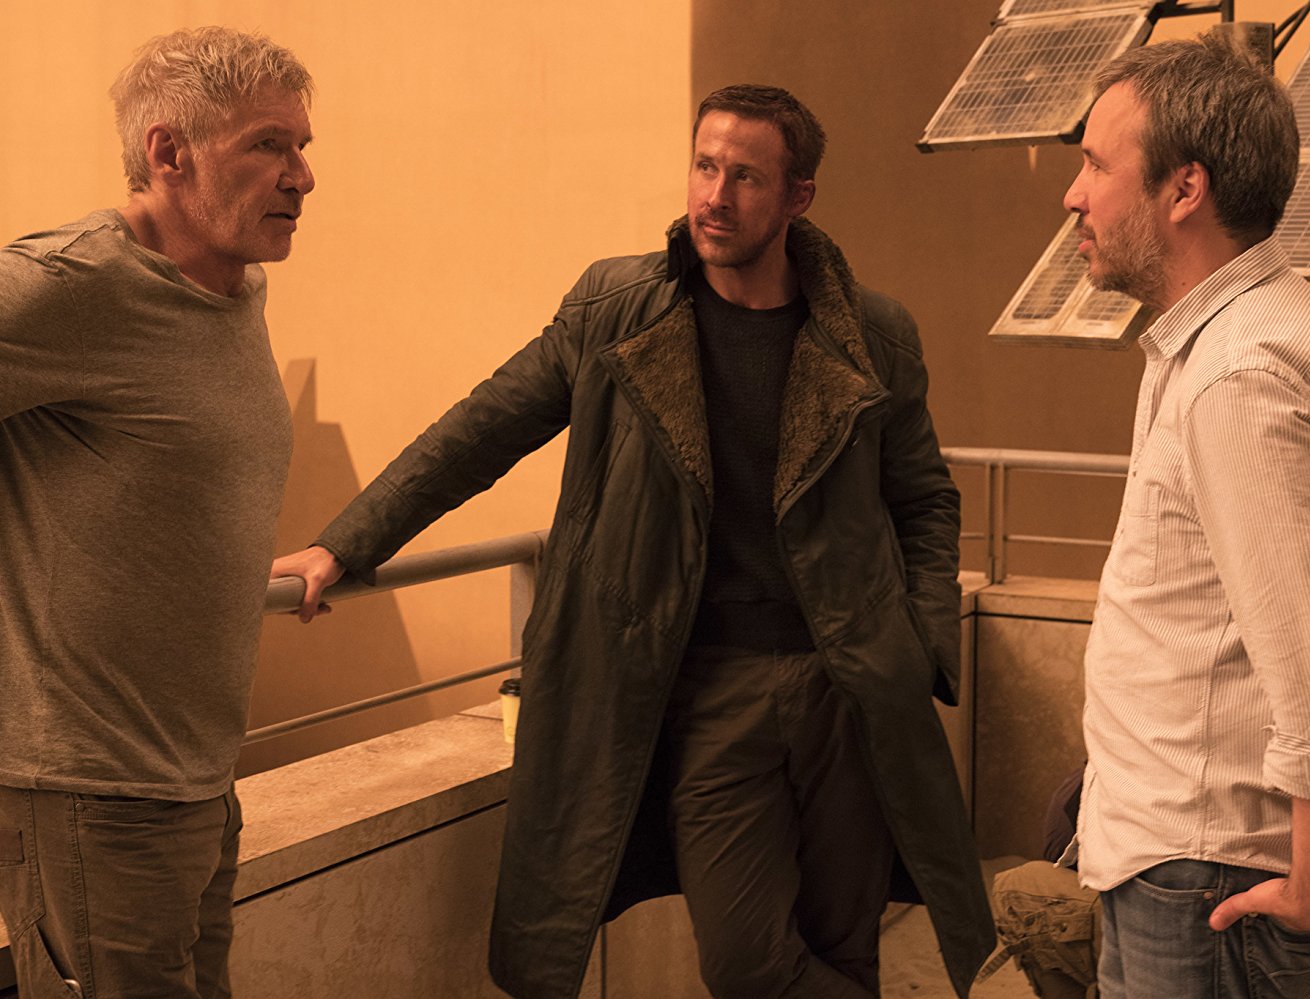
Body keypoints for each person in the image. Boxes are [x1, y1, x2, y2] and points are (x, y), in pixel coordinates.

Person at [271, 84, 994, 999]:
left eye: (745, 177)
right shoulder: (617, 309)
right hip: (706, 688)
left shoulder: (873, 333)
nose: (714, 197)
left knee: (845, 947)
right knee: (746, 963)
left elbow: (924, 499)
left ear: (798, 196)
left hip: (849, 687)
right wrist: (344, 544)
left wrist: (920, 644)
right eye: (704, 167)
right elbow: (479, 432)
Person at [1060, 34, 1310, 998]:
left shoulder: (1242, 374)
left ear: (1185, 189)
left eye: (1096, 164)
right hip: (1187, 859)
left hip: (1208, 876)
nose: (1074, 195)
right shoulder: (1253, 334)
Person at [0, 26, 314, 999]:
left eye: (302, 146)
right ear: (169, 152)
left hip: (198, 782)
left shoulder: (236, 289)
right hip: (93, 794)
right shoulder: (69, 283)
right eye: (268, 145)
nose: (302, 175)